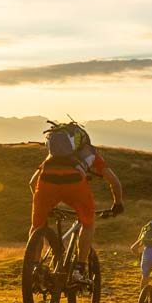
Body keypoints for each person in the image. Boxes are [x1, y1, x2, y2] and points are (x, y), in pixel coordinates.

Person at [29, 120, 124, 281]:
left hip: (46, 182)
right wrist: (118, 204)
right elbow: (114, 182)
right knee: (87, 223)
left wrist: (44, 206)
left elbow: (32, 183)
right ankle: (79, 269)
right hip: (74, 184)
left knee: (37, 226)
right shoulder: (91, 153)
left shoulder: (51, 158)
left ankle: (33, 267)